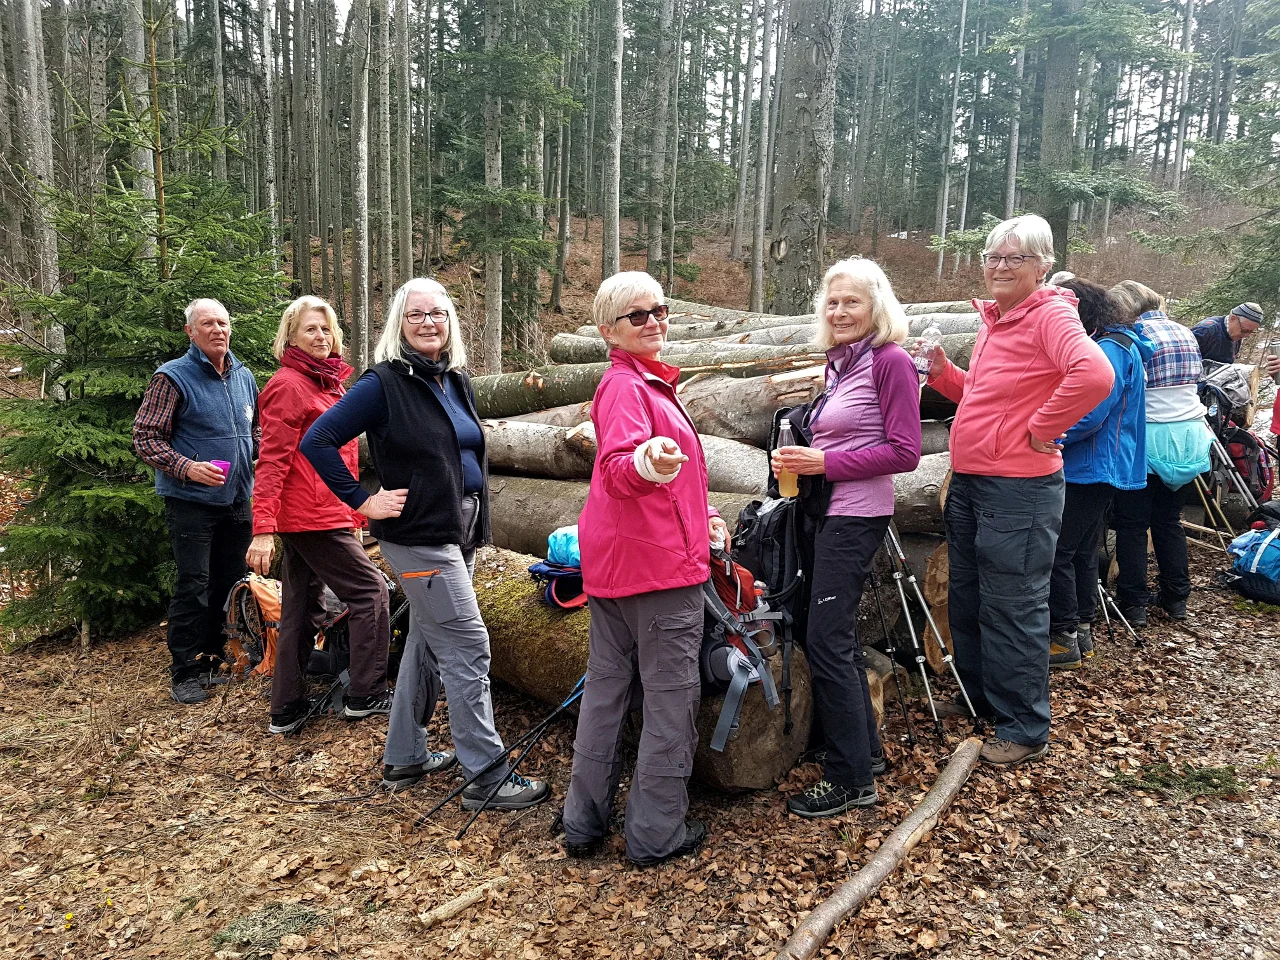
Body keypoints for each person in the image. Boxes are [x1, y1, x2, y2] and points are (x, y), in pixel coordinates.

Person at [301, 277, 549, 809]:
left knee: (426, 641)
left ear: (450, 321)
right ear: (400, 323)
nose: (428, 322)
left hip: (460, 531)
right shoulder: (382, 384)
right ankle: (486, 776)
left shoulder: (454, 380)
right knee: (467, 645)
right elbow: (316, 440)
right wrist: (362, 501)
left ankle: (405, 756)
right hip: (418, 540)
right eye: (417, 315)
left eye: (437, 313)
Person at [920, 215, 1113, 767]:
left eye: (1014, 258)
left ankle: (1024, 726)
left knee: (1014, 605)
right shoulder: (996, 319)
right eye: (993, 257)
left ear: (1041, 265)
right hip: (974, 480)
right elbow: (979, 392)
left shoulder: (1049, 313)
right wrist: (941, 372)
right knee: (970, 595)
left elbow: (1094, 376)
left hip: (1019, 489)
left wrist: (1043, 428)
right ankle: (981, 696)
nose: (1000, 267)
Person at [561, 271, 729, 867]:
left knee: (606, 694)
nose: (654, 320)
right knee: (668, 701)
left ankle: (583, 823)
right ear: (609, 330)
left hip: (618, 564)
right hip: (657, 571)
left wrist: (704, 512)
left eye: (660, 309)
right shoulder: (626, 386)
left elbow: (670, 473)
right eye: (637, 315)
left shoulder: (644, 383)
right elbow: (618, 468)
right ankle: (656, 833)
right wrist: (648, 464)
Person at [771, 258, 922, 818]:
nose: (840, 312)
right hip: (824, 510)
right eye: (832, 302)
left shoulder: (891, 363)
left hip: (857, 514)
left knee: (828, 639)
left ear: (876, 305)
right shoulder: (840, 365)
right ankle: (866, 753)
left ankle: (850, 779)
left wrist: (823, 461)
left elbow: (905, 452)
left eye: (852, 301)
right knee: (825, 635)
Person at [246, 296, 392, 735]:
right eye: (311, 329)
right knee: (371, 594)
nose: (321, 337)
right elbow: (271, 460)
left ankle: (286, 706)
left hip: (326, 511)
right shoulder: (289, 385)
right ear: (290, 335)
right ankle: (365, 693)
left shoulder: (327, 385)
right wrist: (263, 530)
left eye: (327, 330)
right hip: (311, 516)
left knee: (301, 608)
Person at [133, 298, 259, 706]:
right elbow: (146, 437)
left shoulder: (243, 376)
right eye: (207, 324)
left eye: (223, 323)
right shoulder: (173, 377)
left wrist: (259, 453)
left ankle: (214, 658)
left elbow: (255, 430)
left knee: (228, 582)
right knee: (195, 584)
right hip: (191, 500)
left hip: (238, 497)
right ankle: (184, 671)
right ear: (190, 332)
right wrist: (186, 467)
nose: (218, 330)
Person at [1047, 279, 1152, 668]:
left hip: (1089, 465)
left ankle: (1062, 638)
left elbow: (1090, 413)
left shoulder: (1107, 350)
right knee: (1082, 552)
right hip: (1107, 464)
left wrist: (1049, 436)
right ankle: (1082, 630)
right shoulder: (1125, 346)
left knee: (1058, 551)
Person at [1107, 281, 1212, 626]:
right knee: (1168, 521)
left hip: (1148, 439)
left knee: (1133, 524)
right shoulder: (1185, 332)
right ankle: (1176, 598)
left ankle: (1133, 603)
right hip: (1190, 437)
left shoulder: (1135, 336)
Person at [1192, 302, 1264, 365]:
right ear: (1233, 318)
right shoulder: (1205, 330)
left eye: (1251, 332)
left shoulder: (1236, 335)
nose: (1246, 335)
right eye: (1244, 330)